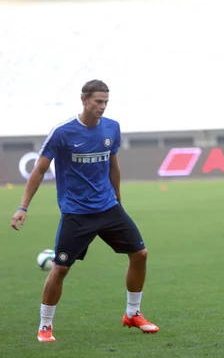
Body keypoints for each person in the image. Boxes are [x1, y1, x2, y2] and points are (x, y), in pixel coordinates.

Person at [10, 80, 159, 343]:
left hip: (108, 207)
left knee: (140, 254)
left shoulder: (112, 128)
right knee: (60, 269)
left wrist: (118, 198)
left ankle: (133, 313)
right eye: (98, 101)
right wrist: (23, 207)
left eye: (105, 102)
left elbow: (113, 165)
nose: (102, 107)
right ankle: (45, 325)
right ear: (84, 100)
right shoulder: (62, 132)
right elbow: (40, 170)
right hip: (76, 213)